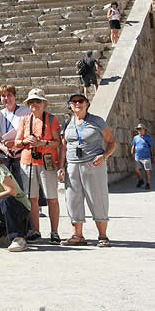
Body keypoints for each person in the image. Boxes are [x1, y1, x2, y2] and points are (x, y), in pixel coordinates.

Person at [59, 93, 116, 247]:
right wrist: (61, 167)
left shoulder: (97, 121)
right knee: (73, 200)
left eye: (81, 101)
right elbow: (63, 147)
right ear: (69, 105)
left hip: (93, 165)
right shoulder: (66, 123)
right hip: (72, 165)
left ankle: (103, 235)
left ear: (87, 104)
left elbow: (111, 142)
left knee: (97, 199)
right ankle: (77, 235)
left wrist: (104, 156)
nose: (77, 103)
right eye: (74, 102)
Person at [14, 88, 62, 244]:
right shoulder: (24, 120)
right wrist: (25, 141)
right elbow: (16, 142)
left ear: (44, 103)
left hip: (47, 161)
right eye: (32, 101)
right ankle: (35, 231)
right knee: (32, 198)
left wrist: (43, 142)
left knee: (51, 198)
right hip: (28, 161)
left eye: (38, 101)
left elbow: (57, 143)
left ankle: (54, 231)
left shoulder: (51, 120)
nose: (35, 104)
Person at [0, 84, 30, 184]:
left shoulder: (26, 111)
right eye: (3, 96)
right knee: (7, 185)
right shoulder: (0, 115)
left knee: (23, 186)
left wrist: (16, 143)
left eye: (9, 95)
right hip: (5, 155)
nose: (6, 98)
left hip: (21, 153)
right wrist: (4, 148)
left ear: (15, 96)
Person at [132, 123, 153, 189]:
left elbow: (152, 147)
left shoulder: (148, 138)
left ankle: (148, 183)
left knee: (147, 170)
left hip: (146, 157)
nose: (139, 130)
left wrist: (154, 155)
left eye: (140, 129)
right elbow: (133, 146)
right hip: (137, 156)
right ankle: (141, 180)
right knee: (136, 169)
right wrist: (132, 153)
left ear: (144, 129)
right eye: (138, 129)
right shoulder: (135, 138)